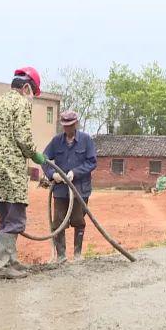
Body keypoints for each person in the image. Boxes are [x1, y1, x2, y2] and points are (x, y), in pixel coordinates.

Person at [0, 67, 47, 279]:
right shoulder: (21, 103)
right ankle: (4, 265)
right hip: (12, 171)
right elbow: (23, 138)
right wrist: (35, 156)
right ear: (26, 88)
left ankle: (8, 261)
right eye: (33, 92)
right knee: (15, 218)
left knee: (6, 217)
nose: (32, 97)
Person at [42, 110, 97, 262]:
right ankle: (61, 256)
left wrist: (75, 172)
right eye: (65, 126)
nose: (67, 129)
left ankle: (78, 254)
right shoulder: (56, 141)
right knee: (58, 222)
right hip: (60, 190)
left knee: (78, 220)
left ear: (76, 124)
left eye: (70, 125)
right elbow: (43, 159)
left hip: (80, 189)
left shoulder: (86, 140)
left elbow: (92, 162)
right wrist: (53, 174)